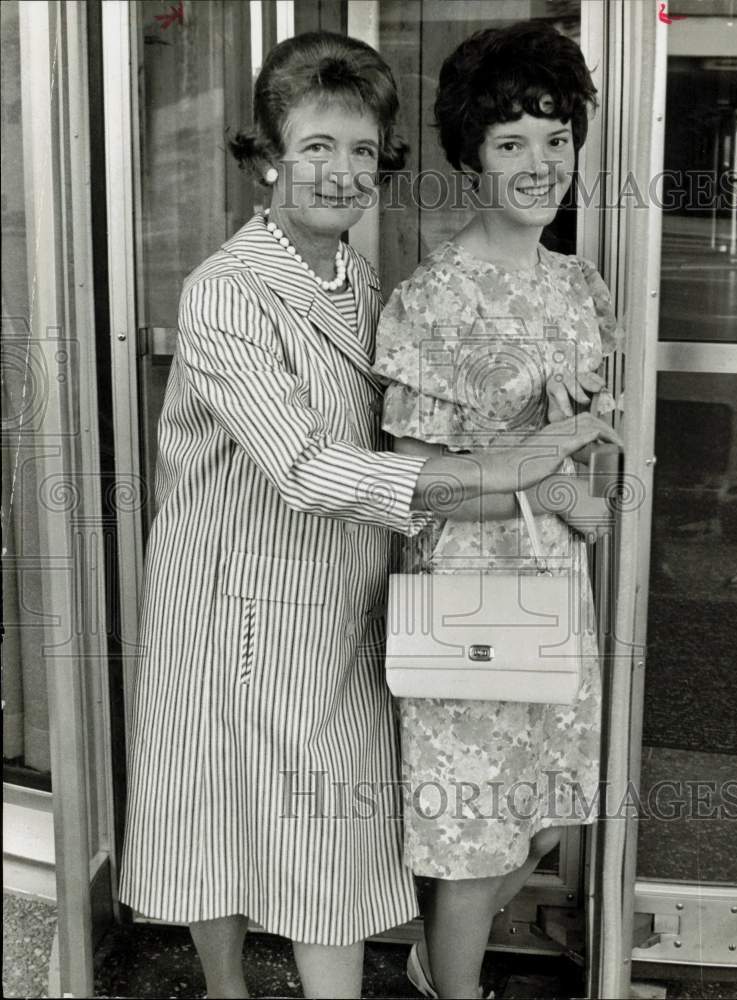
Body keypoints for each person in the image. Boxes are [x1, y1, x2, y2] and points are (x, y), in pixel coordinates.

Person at [117, 30, 617, 1000]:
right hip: (228, 594)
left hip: (334, 590)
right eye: (315, 146)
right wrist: (512, 466)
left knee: (323, 837)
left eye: (358, 150)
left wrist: (536, 478)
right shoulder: (226, 291)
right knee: (202, 806)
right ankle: (225, 989)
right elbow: (305, 465)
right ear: (267, 157)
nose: (340, 172)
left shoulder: (360, 283)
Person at [372, 21, 624, 1000]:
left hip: (556, 585)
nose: (538, 163)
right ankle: (453, 984)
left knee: (547, 817)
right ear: (472, 152)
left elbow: (592, 435)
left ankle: (437, 962)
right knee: (474, 840)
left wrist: (564, 481)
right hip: (469, 598)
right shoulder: (431, 300)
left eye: (555, 137)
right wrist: (551, 466)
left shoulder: (581, 286)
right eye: (512, 140)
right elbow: (419, 484)